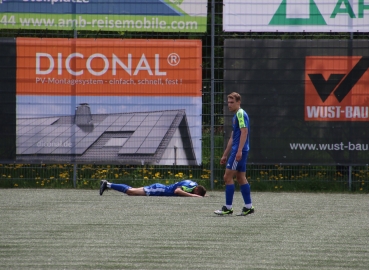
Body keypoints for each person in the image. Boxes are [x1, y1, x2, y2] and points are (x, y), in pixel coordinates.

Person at [214, 92, 254, 216]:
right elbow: (233, 137)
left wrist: (239, 150)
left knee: (227, 177)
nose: (229, 105)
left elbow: (244, 132)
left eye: (232, 102)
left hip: (239, 151)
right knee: (241, 178)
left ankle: (228, 208)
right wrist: (225, 154)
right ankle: (248, 207)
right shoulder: (236, 115)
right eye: (228, 102)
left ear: (238, 102)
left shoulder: (240, 114)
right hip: (239, 150)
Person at [99, 179, 206, 197]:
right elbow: (177, 191)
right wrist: (193, 196)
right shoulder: (191, 188)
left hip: (159, 188)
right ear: (196, 190)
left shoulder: (193, 184)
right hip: (159, 190)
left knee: (131, 192)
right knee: (131, 191)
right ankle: (107, 184)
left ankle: (108, 185)